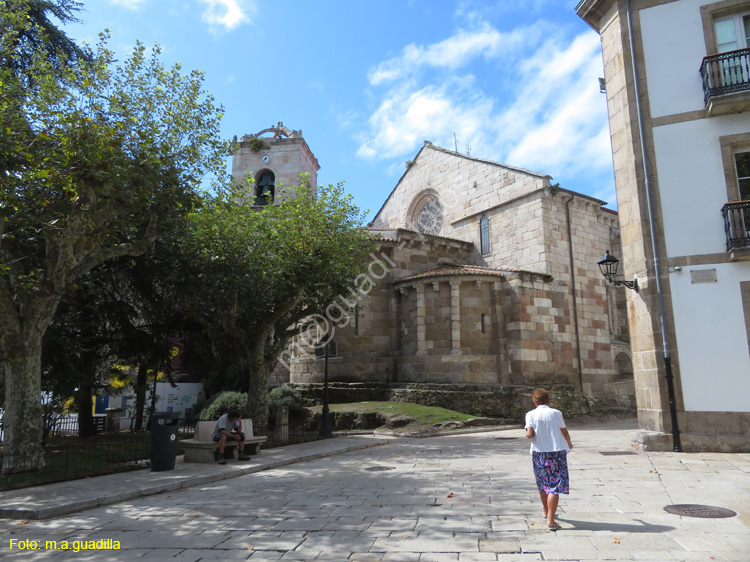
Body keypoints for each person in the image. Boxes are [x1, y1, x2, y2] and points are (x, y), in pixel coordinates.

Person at [524, 388, 573, 531]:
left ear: (535, 402)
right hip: (556, 452)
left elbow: (529, 435)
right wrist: (569, 443)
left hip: (539, 453)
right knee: (555, 485)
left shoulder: (530, 414)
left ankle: (546, 510)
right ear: (548, 400)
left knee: (543, 483)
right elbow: (564, 431)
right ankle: (551, 520)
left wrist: (528, 432)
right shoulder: (556, 413)